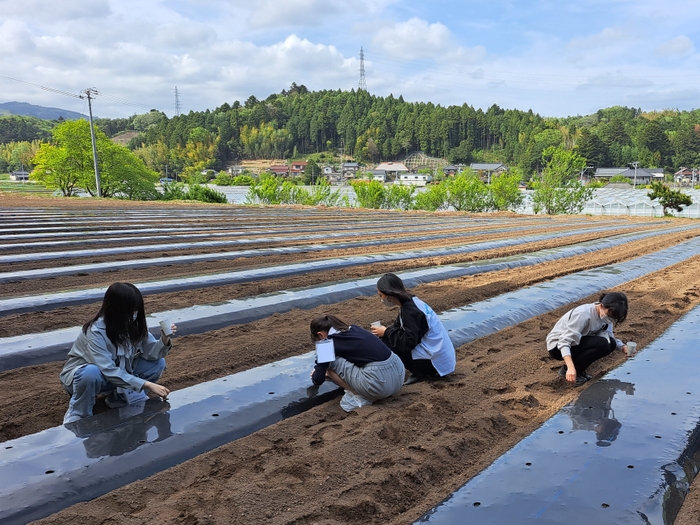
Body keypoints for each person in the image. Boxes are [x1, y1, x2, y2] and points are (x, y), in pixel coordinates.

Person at [60, 282, 175, 424]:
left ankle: (119, 398)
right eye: (130, 310)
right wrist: (147, 384)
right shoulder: (95, 332)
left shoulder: (132, 325)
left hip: (115, 377)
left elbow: (151, 353)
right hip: (83, 380)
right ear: (115, 309)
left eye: (136, 310)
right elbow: (108, 370)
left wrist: (164, 338)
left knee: (158, 363)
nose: (134, 314)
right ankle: (79, 414)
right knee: (91, 372)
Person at [370, 273, 456, 385]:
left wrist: (386, 332)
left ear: (389, 294)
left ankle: (421, 372)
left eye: (381, 296)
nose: (381, 299)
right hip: (441, 356)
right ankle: (418, 370)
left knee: (389, 343)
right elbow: (398, 327)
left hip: (435, 362)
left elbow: (407, 342)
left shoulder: (411, 311)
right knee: (387, 339)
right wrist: (382, 332)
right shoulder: (409, 303)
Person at [310, 314, 405, 412]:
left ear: (321, 334)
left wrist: (319, 372)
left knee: (329, 363)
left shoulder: (327, 344)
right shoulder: (354, 329)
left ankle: (357, 394)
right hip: (399, 373)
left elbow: (318, 380)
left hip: (378, 386)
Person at [546, 292, 629, 386]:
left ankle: (580, 371)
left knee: (611, 344)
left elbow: (609, 336)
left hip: (577, 342)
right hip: (557, 346)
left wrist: (622, 347)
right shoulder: (583, 315)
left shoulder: (607, 317)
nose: (611, 320)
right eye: (610, 315)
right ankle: (567, 370)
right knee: (602, 343)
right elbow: (564, 342)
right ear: (601, 306)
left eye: (614, 318)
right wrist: (570, 367)